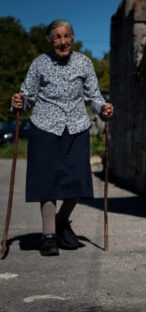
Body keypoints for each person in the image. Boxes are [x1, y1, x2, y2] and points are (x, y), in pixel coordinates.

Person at [10, 19, 113, 256]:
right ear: (49, 41)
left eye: (66, 36)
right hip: (45, 127)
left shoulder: (84, 62)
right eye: (57, 37)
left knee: (78, 181)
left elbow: (94, 96)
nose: (62, 41)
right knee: (48, 183)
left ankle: (61, 220)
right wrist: (19, 101)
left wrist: (103, 108)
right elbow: (27, 95)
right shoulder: (39, 64)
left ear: (73, 38)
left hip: (76, 127)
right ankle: (48, 236)